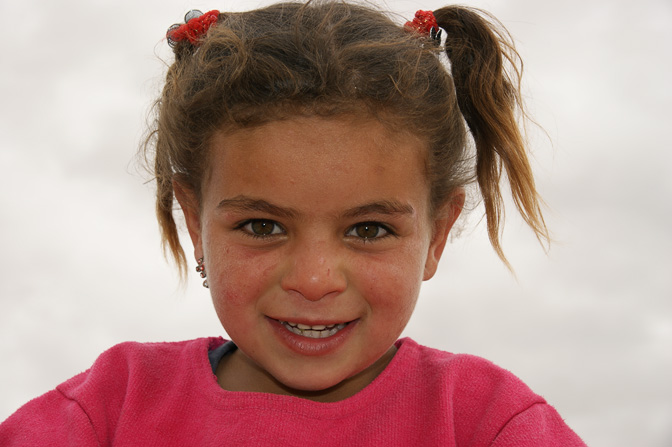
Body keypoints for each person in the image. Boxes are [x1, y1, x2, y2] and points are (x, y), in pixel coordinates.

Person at [0, 2, 586, 445]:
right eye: (262, 226)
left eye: (369, 230)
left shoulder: (486, 422)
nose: (314, 280)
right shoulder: (110, 409)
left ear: (435, 234)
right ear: (194, 219)